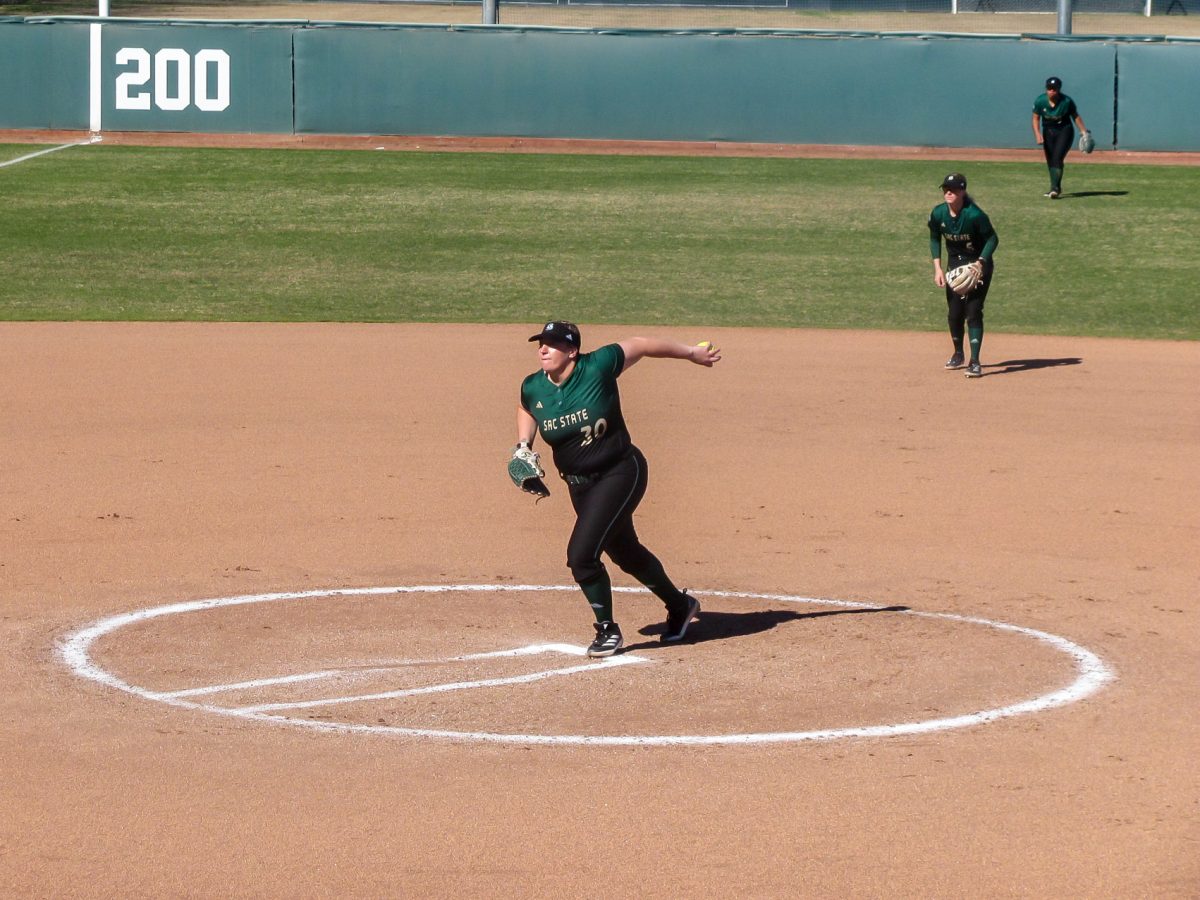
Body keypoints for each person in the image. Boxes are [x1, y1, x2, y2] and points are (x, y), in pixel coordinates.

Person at [513, 321, 721, 657]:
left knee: (581, 556)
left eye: (552, 344)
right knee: (625, 551)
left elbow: (640, 344)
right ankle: (681, 605)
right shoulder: (534, 386)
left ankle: (607, 630)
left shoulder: (598, 366)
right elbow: (526, 407)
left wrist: (691, 353)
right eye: (541, 343)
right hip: (579, 486)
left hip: (621, 472)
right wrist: (523, 444)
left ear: (572, 350)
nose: (543, 349)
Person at [928, 173, 998, 378]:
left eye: (953, 189)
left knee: (973, 311)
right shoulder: (938, 214)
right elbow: (934, 238)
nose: (948, 192)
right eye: (945, 189)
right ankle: (958, 354)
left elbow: (993, 239)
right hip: (955, 267)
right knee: (954, 313)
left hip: (978, 266)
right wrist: (938, 269)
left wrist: (981, 262)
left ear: (962, 192)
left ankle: (975, 362)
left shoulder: (974, 215)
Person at [1032, 75, 1087, 199]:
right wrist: (1037, 133)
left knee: (1057, 158)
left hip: (1064, 130)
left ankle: (1055, 189)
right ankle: (1054, 187)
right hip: (1048, 131)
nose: (1051, 91)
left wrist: (1084, 132)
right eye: (1049, 88)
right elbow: (1035, 118)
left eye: (1054, 88)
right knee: (1051, 161)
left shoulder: (1066, 101)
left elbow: (1075, 116)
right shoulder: (1040, 101)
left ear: (1059, 89)